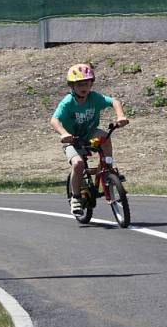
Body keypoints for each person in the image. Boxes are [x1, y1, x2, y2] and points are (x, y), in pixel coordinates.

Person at [50, 63, 129, 216]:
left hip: (90, 133)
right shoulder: (68, 102)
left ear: (91, 83)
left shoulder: (94, 98)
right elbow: (54, 120)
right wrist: (63, 134)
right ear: (72, 86)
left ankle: (108, 169)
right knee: (78, 164)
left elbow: (114, 101)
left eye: (86, 83)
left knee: (105, 136)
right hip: (72, 139)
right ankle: (76, 197)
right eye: (79, 84)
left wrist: (120, 116)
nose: (83, 87)